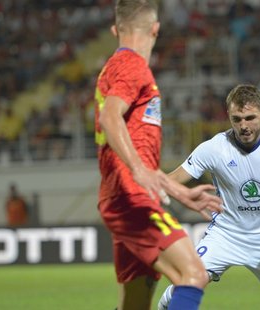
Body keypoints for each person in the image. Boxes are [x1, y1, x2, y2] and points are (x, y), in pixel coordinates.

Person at [94, 1, 223, 309]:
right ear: (155, 29)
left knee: (136, 301)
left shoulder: (116, 66)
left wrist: (175, 189)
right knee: (193, 274)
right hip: (131, 198)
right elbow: (110, 118)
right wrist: (138, 171)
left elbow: (134, 150)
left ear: (116, 30)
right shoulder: (132, 65)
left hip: (124, 196)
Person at [158, 84, 260, 310]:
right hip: (226, 234)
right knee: (190, 279)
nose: (244, 126)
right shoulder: (213, 148)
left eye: (250, 118)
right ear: (228, 117)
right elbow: (174, 178)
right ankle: (165, 304)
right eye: (236, 119)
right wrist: (144, 185)